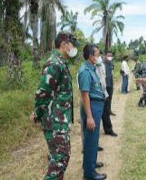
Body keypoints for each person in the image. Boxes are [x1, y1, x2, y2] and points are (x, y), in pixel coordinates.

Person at [30, 32, 79, 179]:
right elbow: (42, 93)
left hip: (59, 119)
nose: (74, 48)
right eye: (73, 44)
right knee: (60, 159)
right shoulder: (54, 64)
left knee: (57, 157)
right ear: (64, 44)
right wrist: (37, 114)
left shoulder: (60, 63)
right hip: (54, 121)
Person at [78, 44, 107, 180]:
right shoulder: (84, 71)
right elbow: (85, 95)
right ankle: (89, 174)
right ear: (91, 56)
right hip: (92, 107)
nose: (99, 57)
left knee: (93, 139)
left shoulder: (92, 68)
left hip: (96, 105)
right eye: (97, 54)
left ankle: (90, 163)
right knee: (91, 140)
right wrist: (89, 117)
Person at [102, 51, 118, 136]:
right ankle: (108, 129)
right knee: (105, 109)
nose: (110, 57)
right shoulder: (101, 64)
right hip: (104, 87)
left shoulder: (111, 64)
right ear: (105, 55)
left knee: (107, 107)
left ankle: (108, 128)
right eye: (108, 55)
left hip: (110, 85)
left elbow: (111, 74)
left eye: (111, 56)